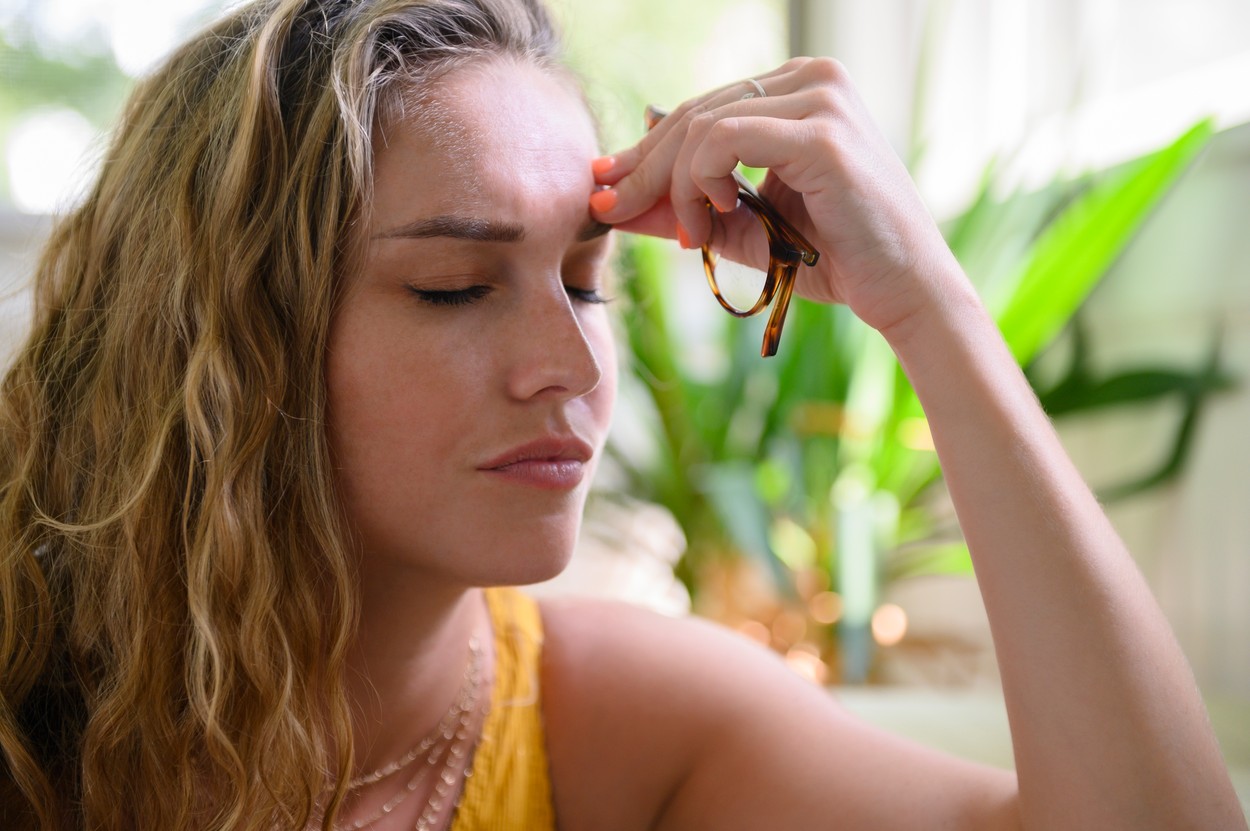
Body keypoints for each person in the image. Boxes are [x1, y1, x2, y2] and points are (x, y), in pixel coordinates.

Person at [0, 0, 1243, 828]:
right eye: (454, 286)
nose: (570, 365)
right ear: (218, 335)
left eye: (587, 283)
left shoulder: (623, 725)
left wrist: (930, 310)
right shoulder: (29, 696)